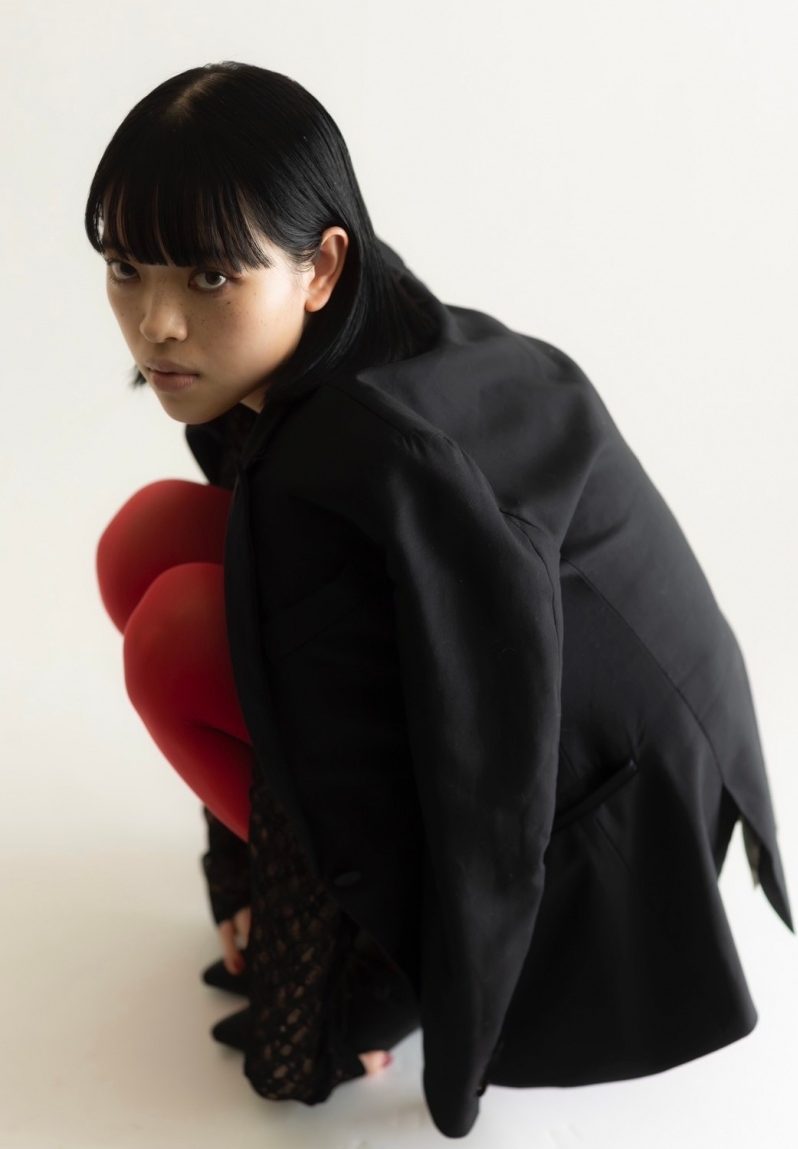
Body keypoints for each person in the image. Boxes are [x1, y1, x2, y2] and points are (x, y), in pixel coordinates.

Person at [88, 62, 793, 1139]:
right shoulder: (329, 354)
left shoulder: (377, 449)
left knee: (177, 638)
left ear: (322, 265)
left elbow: (489, 767)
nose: (159, 323)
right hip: (566, 724)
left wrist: (363, 991)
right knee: (147, 541)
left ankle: (368, 942)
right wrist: (243, 872)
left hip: (598, 827)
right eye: (127, 269)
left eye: (212, 276)